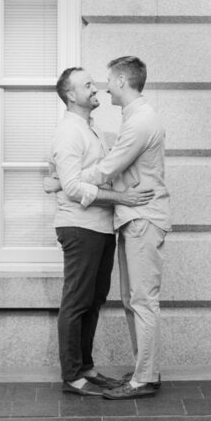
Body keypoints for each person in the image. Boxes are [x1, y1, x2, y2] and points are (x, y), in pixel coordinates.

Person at [50, 67, 154, 397]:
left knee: (93, 300)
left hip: (100, 227)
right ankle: (72, 376)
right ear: (70, 95)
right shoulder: (69, 132)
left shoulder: (91, 128)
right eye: (87, 85)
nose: (95, 89)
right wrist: (122, 198)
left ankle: (86, 367)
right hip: (79, 227)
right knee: (77, 301)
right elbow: (72, 187)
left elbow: (87, 176)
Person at [77, 56, 171, 400]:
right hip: (134, 218)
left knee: (142, 301)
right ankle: (145, 372)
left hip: (143, 219)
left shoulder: (141, 121)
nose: (105, 88)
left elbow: (107, 168)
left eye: (108, 81)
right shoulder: (135, 118)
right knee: (134, 301)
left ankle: (144, 379)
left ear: (120, 81)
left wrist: (69, 180)